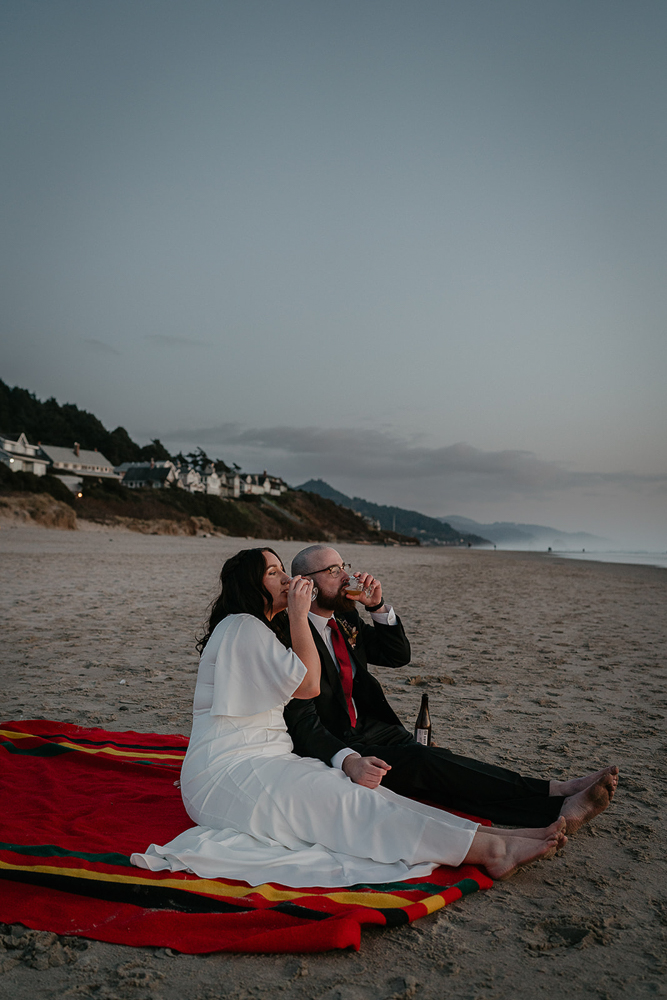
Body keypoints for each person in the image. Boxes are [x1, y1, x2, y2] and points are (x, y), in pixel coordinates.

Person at [131, 548, 565, 888]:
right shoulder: (243, 625)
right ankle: (491, 849)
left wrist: (369, 608)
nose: (287, 579)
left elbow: (392, 656)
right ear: (251, 586)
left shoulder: (275, 628)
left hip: (272, 759)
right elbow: (308, 687)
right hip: (229, 771)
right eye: (273, 573)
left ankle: (497, 840)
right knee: (348, 803)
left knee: (363, 799)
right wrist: (300, 615)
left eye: (286, 570)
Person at [283, 545, 618, 833]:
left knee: (444, 767)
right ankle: (556, 798)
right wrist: (347, 759)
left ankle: (555, 796)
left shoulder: (346, 620)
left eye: (345, 567)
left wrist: (377, 607)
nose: (347, 577)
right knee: (428, 763)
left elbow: (397, 656)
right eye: (333, 570)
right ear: (306, 586)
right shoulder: (291, 634)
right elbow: (304, 719)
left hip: (377, 730)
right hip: (343, 742)